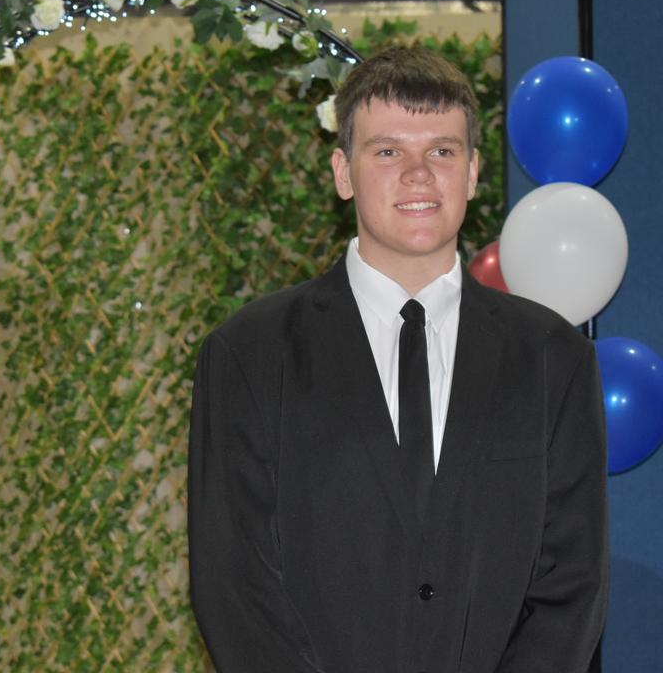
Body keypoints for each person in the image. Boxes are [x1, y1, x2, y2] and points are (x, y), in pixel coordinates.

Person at [187, 46, 608, 673]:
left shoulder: (554, 360)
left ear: (471, 173)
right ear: (343, 172)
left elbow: (573, 584)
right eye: (388, 151)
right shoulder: (248, 355)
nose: (419, 174)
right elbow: (234, 585)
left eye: (442, 150)